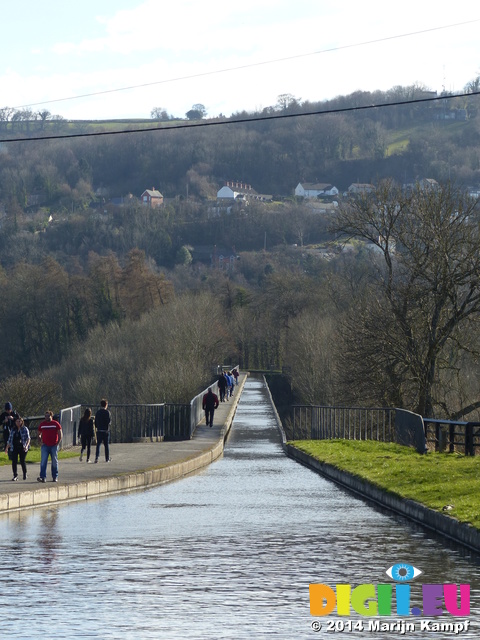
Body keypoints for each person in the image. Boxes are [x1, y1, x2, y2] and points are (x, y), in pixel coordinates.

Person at [37, 410, 63, 483]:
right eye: (46, 416)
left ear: (51, 416)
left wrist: (58, 443)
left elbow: (60, 433)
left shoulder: (55, 424)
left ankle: (55, 476)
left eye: (48, 416)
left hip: (53, 445)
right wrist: (40, 441)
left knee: (54, 461)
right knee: (43, 461)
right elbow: (39, 433)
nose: (47, 417)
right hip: (45, 445)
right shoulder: (42, 424)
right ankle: (43, 477)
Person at [5, 415, 30, 481]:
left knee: (22, 460)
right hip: (15, 447)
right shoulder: (13, 429)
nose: (18, 423)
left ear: (22, 422)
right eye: (17, 421)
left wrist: (26, 446)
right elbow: (10, 439)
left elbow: (28, 438)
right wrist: (7, 448)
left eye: (19, 421)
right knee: (14, 461)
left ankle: (25, 473)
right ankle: (15, 475)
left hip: (22, 446)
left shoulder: (24, 429)